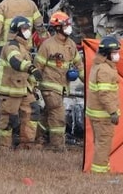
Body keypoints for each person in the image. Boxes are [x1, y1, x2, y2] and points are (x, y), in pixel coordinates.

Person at [34, 11, 85, 151]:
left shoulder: (71, 45)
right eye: (66, 24)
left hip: (62, 87)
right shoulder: (47, 45)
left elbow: (79, 65)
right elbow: (37, 67)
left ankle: (37, 138)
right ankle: (58, 146)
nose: (69, 27)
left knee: (47, 115)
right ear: (58, 27)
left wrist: (88, 82)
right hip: (49, 88)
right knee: (58, 116)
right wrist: (33, 86)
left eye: (69, 24)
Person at [0, 16, 43, 150]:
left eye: (29, 28)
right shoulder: (12, 46)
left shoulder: (23, 47)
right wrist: (32, 68)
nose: (28, 31)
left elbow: (25, 72)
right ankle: (4, 148)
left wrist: (33, 83)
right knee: (9, 119)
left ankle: (26, 145)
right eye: (25, 29)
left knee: (33, 111)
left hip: (23, 89)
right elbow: (15, 62)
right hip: (10, 90)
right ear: (17, 30)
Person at [86, 36, 121, 173]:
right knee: (104, 143)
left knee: (100, 143)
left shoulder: (98, 66)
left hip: (95, 113)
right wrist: (113, 111)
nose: (117, 55)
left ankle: (100, 168)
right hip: (103, 115)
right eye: (115, 52)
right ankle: (100, 173)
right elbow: (104, 94)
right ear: (106, 54)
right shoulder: (105, 70)